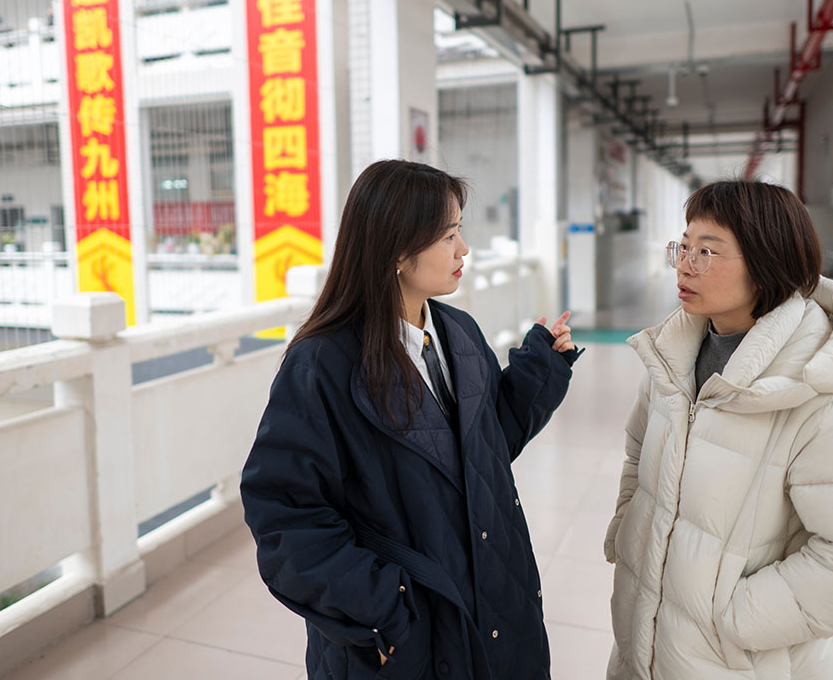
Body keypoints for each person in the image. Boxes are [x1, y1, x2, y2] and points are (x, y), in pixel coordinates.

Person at [241, 159, 581, 680]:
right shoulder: (322, 363)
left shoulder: (458, 331)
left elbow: (482, 449)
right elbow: (286, 514)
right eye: (449, 235)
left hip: (492, 597)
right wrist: (386, 611)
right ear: (399, 250)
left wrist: (541, 369)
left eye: (459, 231)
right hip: (403, 631)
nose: (464, 249)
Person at [604, 180, 833, 680]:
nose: (684, 264)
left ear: (766, 262)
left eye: (707, 251)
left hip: (743, 661)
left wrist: (733, 616)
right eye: (683, 246)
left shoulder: (821, 391)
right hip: (651, 643)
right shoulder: (673, 358)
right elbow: (638, 454)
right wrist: (629, 533)